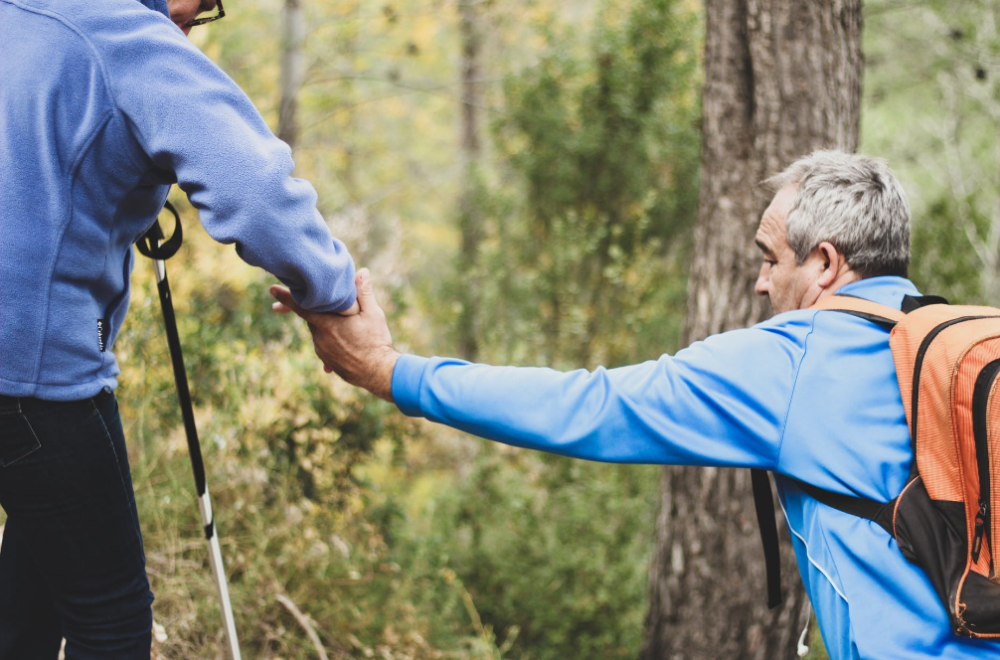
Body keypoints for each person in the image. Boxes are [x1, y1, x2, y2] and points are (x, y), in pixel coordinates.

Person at [271, 150, 1000, 660]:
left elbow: (587, 407)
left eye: (769, 257)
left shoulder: (795, 361)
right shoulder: (947, 345)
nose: (758, 283)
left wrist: (389, 371)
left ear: (826, 263)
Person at [0, 0, 359, 656]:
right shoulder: (127, 33)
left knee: (33, 595)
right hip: (33, 375)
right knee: (111, 619)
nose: (203, 15)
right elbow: (256, 194)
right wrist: (335, 292)